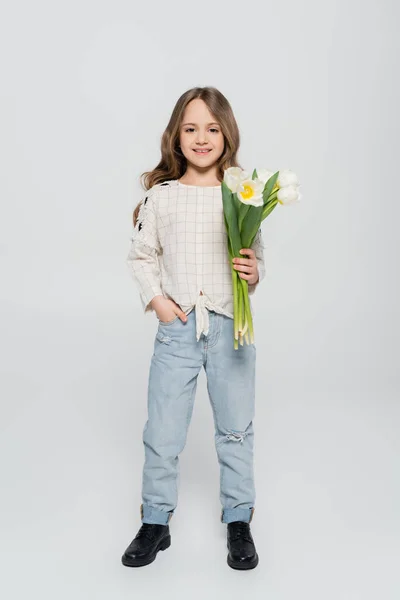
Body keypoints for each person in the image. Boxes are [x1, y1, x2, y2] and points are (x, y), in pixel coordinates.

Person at [122, 86, 266, 570]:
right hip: (178, 329)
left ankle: (239, 519)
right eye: (190, 128)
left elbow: (254, 253)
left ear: (226, 133)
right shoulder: (161, 198)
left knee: (235, 429)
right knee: (162, 429)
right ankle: (156, 520)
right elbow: (141, 256)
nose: (201, 138)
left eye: (211, 127)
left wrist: (253, 271)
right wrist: (159, 302)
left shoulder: (241, 194)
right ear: (175, 136)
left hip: (231, 329)